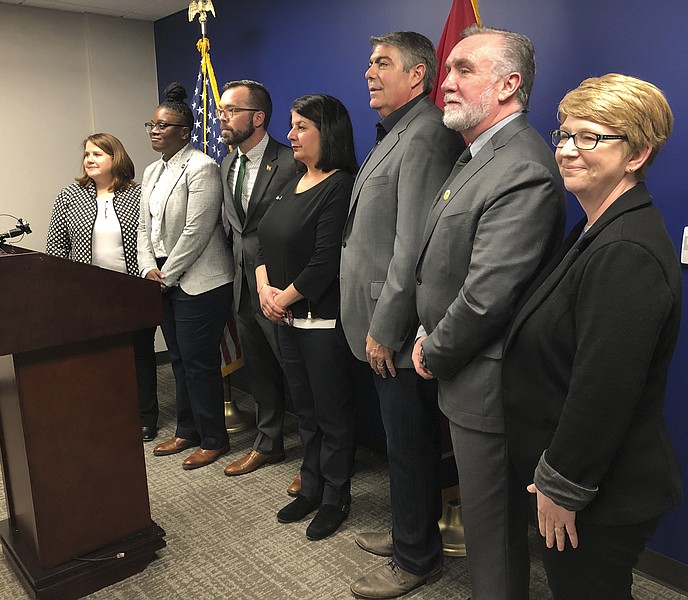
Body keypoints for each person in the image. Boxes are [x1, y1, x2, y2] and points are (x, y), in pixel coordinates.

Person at [502, 74, 682, 600]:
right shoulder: (593, 227)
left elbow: (603, 388)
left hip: (597, 489)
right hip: (584, 477)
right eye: (564, 135)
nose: (568, 150)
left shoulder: (625, 250)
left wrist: (562, 486)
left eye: (590, 137)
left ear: (638, 153)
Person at [411, 26, 566, 600]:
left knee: (493, 532)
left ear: (509, 84)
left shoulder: (520, 164)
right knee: (484, 524)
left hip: (487, 381)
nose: (445, 84)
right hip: (463, 371)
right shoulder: (477, 154)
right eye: (447, 71)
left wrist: (434, 346)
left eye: (462, 70)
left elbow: (486, 296)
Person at [342, 31, 465, 600]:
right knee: (399, 440)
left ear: (418, 75)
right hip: (376, 318)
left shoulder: (424, 135)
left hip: (394, 325)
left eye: (382, 63)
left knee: (410, 442)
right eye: (369, 62)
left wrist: (386, 328)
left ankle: (417, 558)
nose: (370, 71)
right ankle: (406, 532)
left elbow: (411, 246)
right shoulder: (396, 131)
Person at [256, 94, 358, 541]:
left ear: (327, 132)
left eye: (301, 127)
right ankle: (311, 485)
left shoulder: (339, 185)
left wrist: (284, 299)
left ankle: (336, 495)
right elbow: (262, 243)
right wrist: (264, 290)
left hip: (319, 320)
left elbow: (325, 262)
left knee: (332, 413)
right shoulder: (289, 181)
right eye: (292, 126)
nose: (291, 135)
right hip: (286, 320)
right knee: (307, 411)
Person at [138, 83, 234, 470]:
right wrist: (148, 267)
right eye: (152, 124)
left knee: (199, 361)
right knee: (177, 358)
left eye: (164, 125)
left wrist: (167, 275)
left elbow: (198, 230)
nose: (155, 131)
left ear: (185, 130)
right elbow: (144, 226)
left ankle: (214, 438)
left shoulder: (203, 167)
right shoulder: (150, 171)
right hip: (161, 277)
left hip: (200, 280)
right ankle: (187, 430)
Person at [46, 133, 159, 442]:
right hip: (89, 295)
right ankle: (107, 412)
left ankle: (146, 416)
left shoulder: (138, 194)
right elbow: (57, 246)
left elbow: (152, 238)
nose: (89, 159)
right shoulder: (71, 195)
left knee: (140, 355)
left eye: (97, 154)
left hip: (133, 291)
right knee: (99, 357)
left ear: (115, 158)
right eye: (87, 154)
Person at [217, 80, 299, 491]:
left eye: (231, 110)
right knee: (261, 370)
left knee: (298, 373)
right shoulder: (228, 164)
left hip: (283, 289)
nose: (222, 117)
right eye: (220, 109)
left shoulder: (291, 162)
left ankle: (320, 457)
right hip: (242, 287)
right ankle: (269, 443)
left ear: (258, 117)